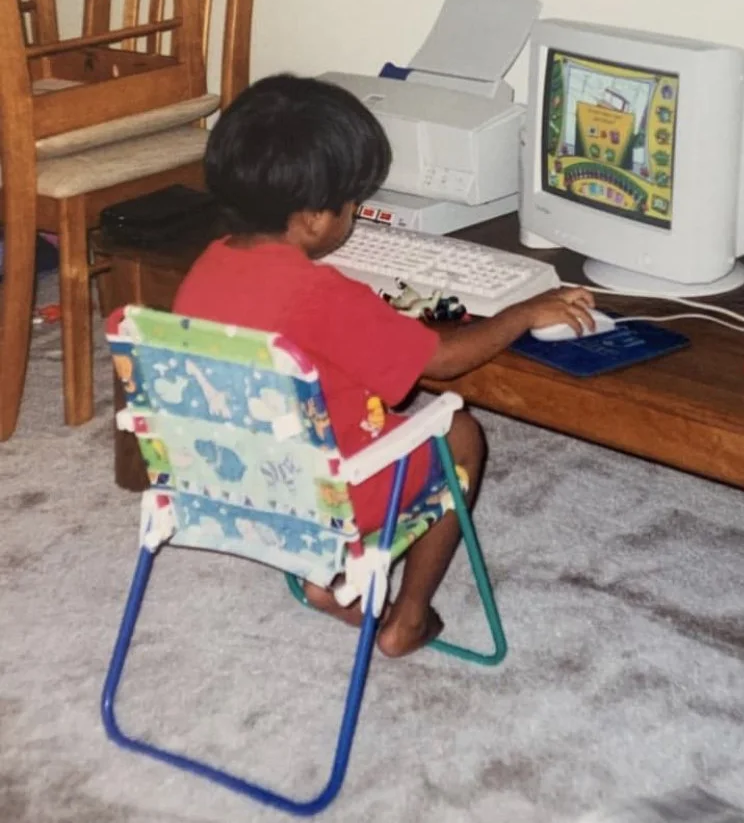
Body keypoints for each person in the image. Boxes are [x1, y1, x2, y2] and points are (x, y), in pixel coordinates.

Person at [173, 73, 596, 657]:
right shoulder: (321, 294)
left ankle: (331, 576)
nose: (357, 213)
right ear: (315, 217)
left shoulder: (208, 265)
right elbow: (443, 362)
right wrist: (523, 312)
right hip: (324, 494)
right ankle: (407, 618)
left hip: (228, 479)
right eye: (354, 203)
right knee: (459, 433)